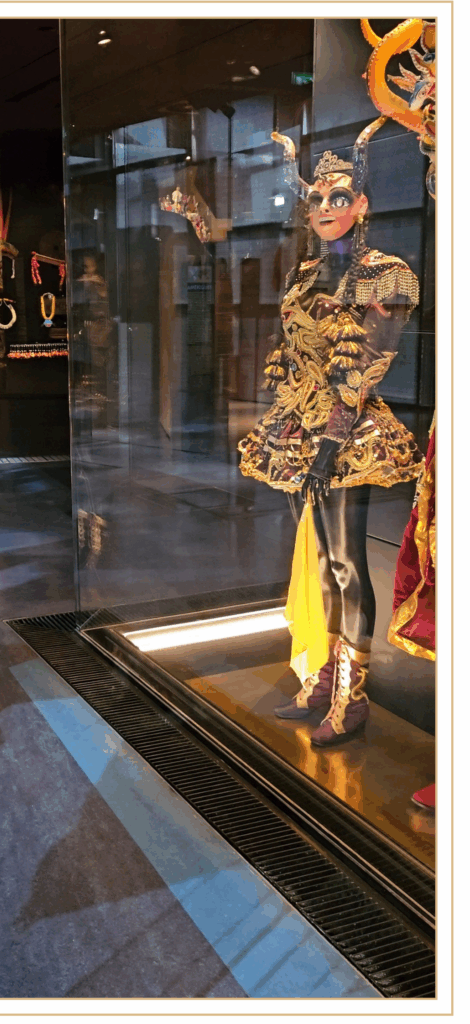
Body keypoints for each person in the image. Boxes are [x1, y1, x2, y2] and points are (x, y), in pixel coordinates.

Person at [238, 117, 423, 746]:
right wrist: (288, 424)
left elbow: (369, 367)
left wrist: (326, 444)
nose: (324, 207)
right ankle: (322, 674)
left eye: (338, 197)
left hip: (349, 434)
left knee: (346, 563)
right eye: (315, 198)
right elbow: (293, 357)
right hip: (299, 426)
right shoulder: (303, 275)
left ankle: (353, 693)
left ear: (362, 203)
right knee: (317, 561)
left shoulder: (386, 274)